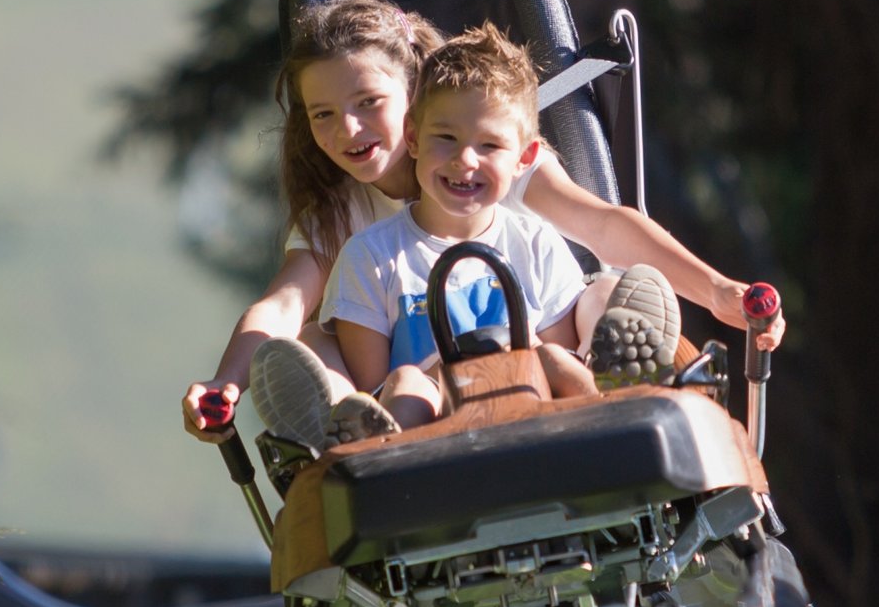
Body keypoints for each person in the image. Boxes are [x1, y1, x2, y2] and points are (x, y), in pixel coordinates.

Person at [182, 0, 784, 442]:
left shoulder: (495, 161)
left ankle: (615, 382)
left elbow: (603, 225)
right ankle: (354, 426)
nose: (349, 129)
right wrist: (226, 383)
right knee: (313, 336)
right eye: (323, 115)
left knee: (606, 288)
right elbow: (282, 304)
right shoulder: (343, 215)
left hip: (538, 364)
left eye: (368, 103)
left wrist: (719, 291)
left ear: (415, 100)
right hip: (414, 384)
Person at [249, 25, 694, 448]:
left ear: (524, 158)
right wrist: (452, 371)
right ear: (414, 138)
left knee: (572, 337)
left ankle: (613, 409)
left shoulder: (533, 239)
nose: (465, 161)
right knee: (404, 379)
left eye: (489, 146)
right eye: (445, 138)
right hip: (433, 412)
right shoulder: (370, 254)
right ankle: (368, 445)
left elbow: (557, 340)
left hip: (531, 395)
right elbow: (374, 379)